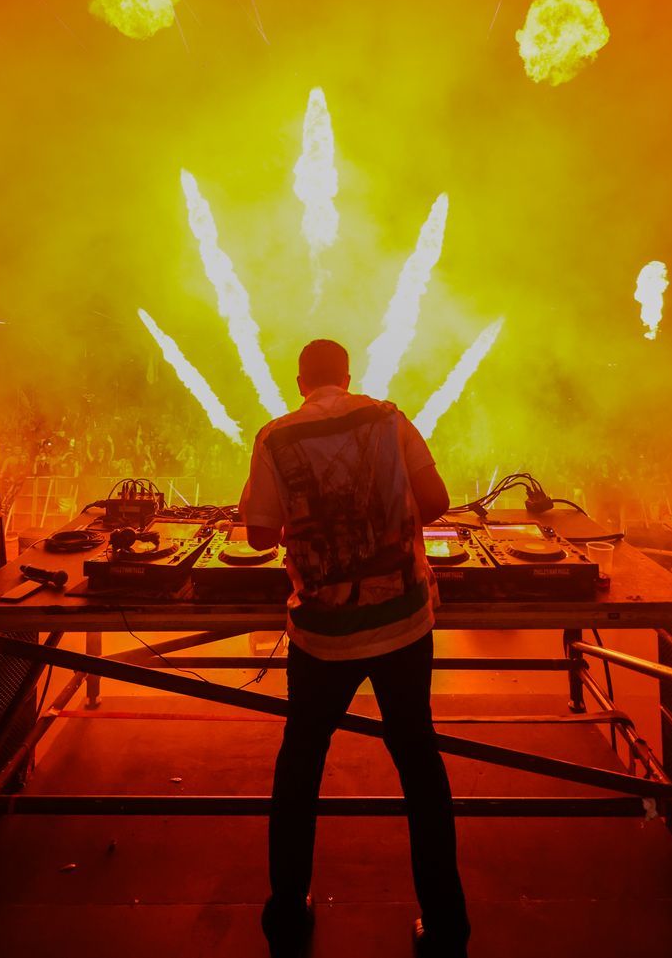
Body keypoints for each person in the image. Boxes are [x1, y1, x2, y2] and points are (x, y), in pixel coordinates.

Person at [240, 339, 469, 958]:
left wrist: (310, 526)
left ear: (298, 383)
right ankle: (447, 928)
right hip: (400, 621)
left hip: (323, 632)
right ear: (347, 376)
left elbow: (259, 535)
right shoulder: (389, 418)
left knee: (300, 768)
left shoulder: (275, 436)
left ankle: (287, 918)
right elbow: (439, 502)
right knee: (420, 768)